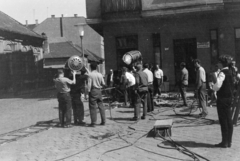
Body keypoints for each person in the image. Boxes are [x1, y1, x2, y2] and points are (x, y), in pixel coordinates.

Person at [212, 55, 235, 148]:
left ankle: (224, 142)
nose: (217, 64)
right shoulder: (230, 71)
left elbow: (217, 86)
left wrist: (213, 87)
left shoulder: (222, 73)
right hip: (229, 98)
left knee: (223, 120)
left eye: (218, 62)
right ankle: (229, 141)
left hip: (222, 99)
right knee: (229, 120)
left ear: (221, 63)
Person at [88, 62, 106, 127]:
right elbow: (103, 83)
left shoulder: (90, 75)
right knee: (101, 105)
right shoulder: (100, 74)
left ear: (90, 67)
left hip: (93, 90)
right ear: (96, 67)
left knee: (92, 106)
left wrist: (88, 92)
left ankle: (93, 122)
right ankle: (103, 121)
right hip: (99, 91)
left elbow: (89, 84)